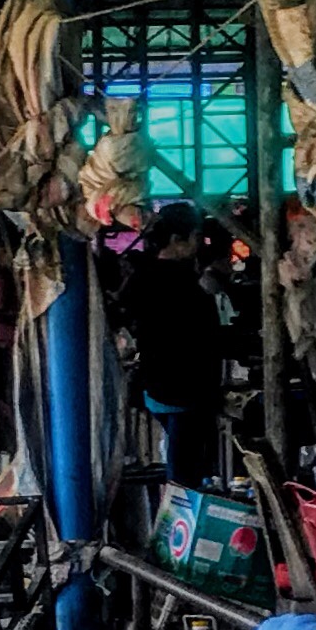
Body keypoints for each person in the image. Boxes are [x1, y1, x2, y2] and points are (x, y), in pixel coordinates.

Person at [120, 204, 228, 487]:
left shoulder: (142, 277)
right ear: (177, 240)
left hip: (159, 387)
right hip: (183, 390)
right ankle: (178, 526)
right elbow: (197, 336)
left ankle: (180, 519)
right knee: (184, 475)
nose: (197, 244)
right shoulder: (181, 282)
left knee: (184, 467)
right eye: (194, 237)